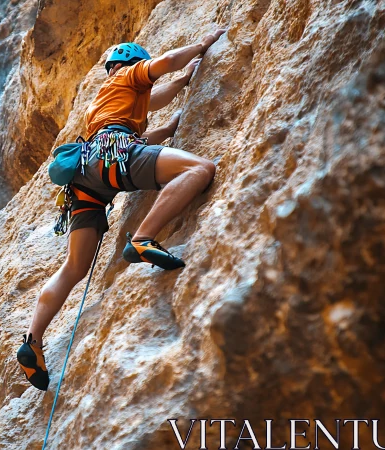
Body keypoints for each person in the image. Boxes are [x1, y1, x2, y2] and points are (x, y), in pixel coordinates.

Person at [17, 29, 228, 391]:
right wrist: (202, 44)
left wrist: (180, 90)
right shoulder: (127, 75)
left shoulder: (110, 102)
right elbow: (164, 64)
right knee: (200, 169)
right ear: (130, 64)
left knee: (74, 267)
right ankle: (143, 238)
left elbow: (149, 110)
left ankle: (32, 342)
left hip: (86, 180)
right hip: (113, 157)